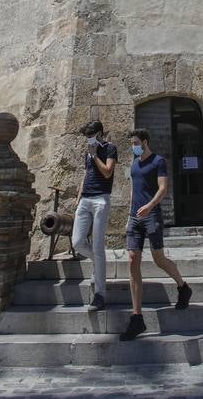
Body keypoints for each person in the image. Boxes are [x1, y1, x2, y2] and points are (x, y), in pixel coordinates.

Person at [120, 128, 192, 341]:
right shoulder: (134, 163)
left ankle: (183, 286)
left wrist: (150, 206)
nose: (133, 146)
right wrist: (129, 214)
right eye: (131, 143)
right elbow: (134, 189)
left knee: (159, 259)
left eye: (135, 142)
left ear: (144, 142)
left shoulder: (158, 161)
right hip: (135, 217)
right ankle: (137, 317)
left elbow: (163, 188)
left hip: (152, 216)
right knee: (133, 260)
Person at [71, 120, 117, 312]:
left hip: (101, 199)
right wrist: (79, 196)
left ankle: (100, 295)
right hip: (85, 200)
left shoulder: (109, 148)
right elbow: (86, 173)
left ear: (98, 133)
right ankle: (98, 264)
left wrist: (95, 155)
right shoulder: (87, 152)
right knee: (78, 242)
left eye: (90, 134)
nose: (87, 137)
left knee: (98, 246)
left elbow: (107, 172)